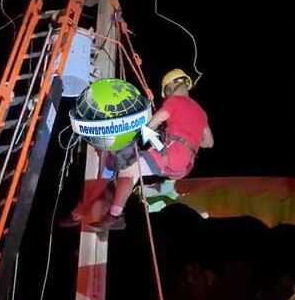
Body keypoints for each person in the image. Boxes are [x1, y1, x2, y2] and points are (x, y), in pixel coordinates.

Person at [60, 69, 213, 230]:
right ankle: (101, 212)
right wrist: (188, 138)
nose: (167, 96)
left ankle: (114, 214)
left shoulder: (174, 101)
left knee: (127, 170)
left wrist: (140, 129)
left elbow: (152, 123)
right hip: (184, 165)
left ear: (170, 86)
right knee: (125, 171)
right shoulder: (201, 112)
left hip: (169, 153)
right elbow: (209, 143)